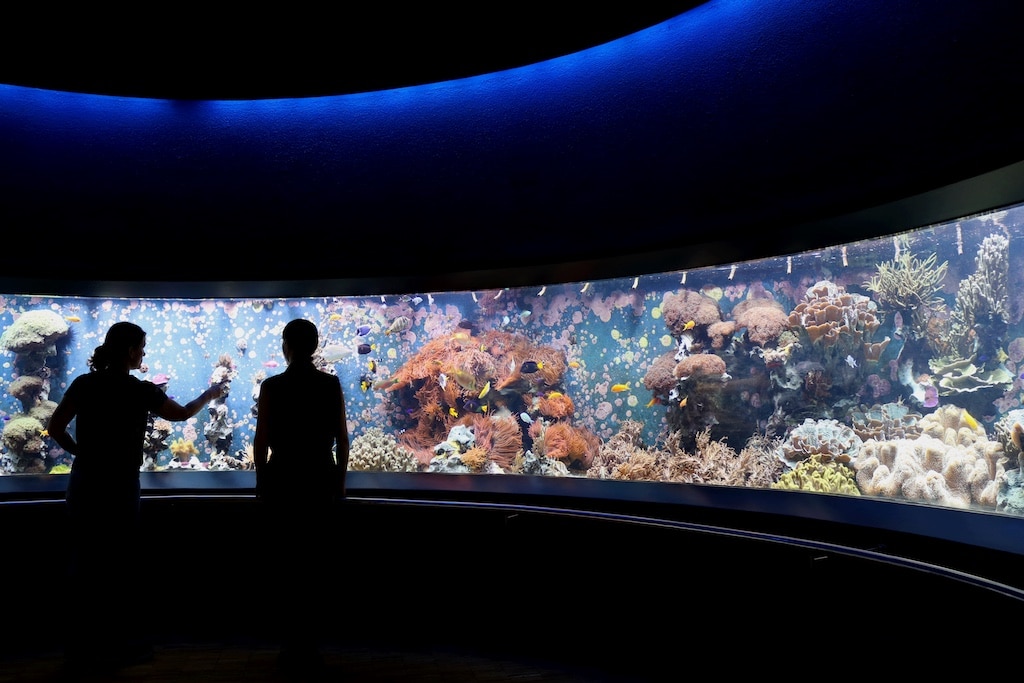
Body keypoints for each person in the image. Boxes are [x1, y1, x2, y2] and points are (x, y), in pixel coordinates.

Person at [48, 321, 226, 674]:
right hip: (120, 488)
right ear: (130, 351)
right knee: (116, 567)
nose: (143, 353)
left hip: (85, 484)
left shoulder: (85, 384)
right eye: (141, 347)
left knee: (83, 564)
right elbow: (180, 414)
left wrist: (82, 453)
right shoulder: (140, 391)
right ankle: (117, 648)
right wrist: (210, 394)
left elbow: (55, 428)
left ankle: (77, 651)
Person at [252, 317, 349, 674]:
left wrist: (262, 481)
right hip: (319, 477)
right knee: (314, 562)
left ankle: (290, 645)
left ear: (287, 346)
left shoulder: (272, 385)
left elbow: (261, 440)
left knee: (287, 562)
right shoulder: (330, 383)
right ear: (315, 345)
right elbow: (341, 436)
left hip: (283, 479)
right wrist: (338, 481)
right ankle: (311, 645)